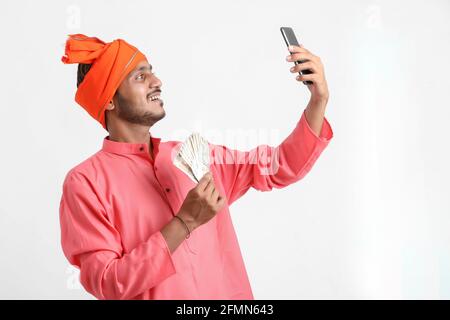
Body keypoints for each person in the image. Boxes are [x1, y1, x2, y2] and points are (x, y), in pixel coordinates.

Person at [59, 34, 334, 300]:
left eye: (151, 72)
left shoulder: (193, 155)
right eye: (140, 76)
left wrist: (318, 99)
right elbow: (109, 282)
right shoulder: (85, 183)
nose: (157, 82)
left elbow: (280, 166)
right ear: (108, 99)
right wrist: (184, 222)